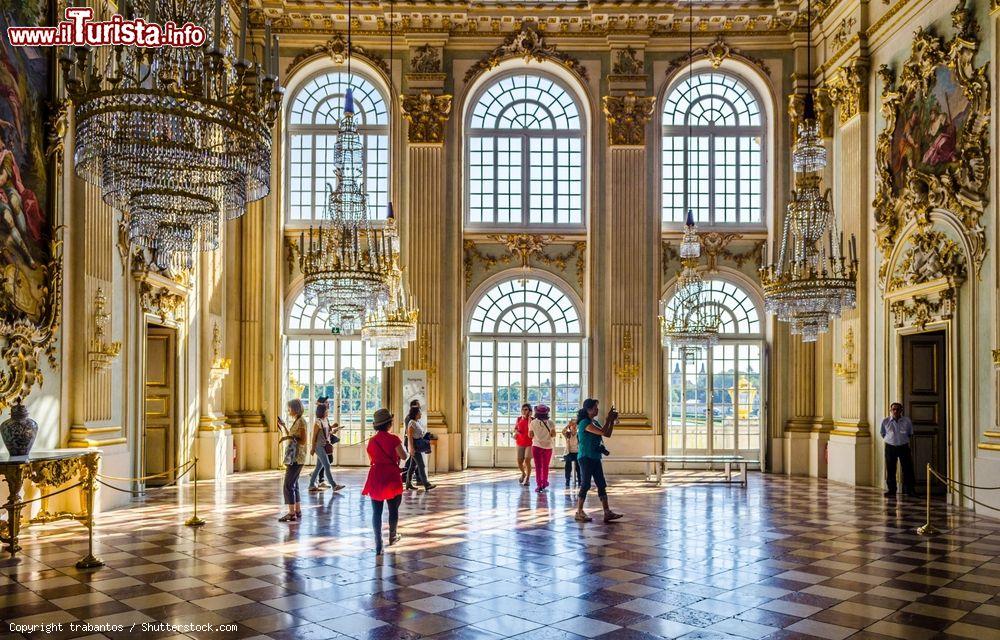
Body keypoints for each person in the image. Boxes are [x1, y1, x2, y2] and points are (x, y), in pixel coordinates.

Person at [362, 408, 407, 556]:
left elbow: (371, 458)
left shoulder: (372, 441)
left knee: (377, 512)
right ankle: (393, 536)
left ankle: (378, 544)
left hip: (376, 476)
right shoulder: (394, 439)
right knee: (393, 509)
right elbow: (404, 456)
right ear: (389, 424)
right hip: (391, 475)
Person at [575, 398, 622, 523]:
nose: (597, 409)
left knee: (601, 484)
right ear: (589, 409)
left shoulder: (594, 422)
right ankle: (579, 512)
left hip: (595, 456)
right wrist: (608, 419)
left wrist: (611, 421)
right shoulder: (584, 422)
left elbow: (607, 433)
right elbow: (602, 431)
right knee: (585, 484)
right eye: (595, 407)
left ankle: (607, 512)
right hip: (586, 457)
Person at [277, 399, 308, 522]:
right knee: (294, 484)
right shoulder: (297, 421)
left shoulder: (301, 422)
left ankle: (291, 513)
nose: (288, 410)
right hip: (294, 457)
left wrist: (288, 437)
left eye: (289, 408)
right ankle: (297, 510)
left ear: (295, 409)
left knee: (288, 485)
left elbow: (303, 441)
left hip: (297, 457)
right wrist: (283, 426)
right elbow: (293, 436)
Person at [881, 402, 917, 497]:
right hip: (890, 447)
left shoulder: (907, 421)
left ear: (901, 410)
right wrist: (891, 440)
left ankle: (910, 490)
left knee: (907, 468)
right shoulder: (885, 421)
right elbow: (883, 433)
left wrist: (902, 440)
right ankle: (892, 490)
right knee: (891, 469)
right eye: (893, 409)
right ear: (890, 410)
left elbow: (910, 433)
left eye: (898, 409)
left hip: (903, 447)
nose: (895, 411)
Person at [308, 403, 345, 493]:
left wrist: (335, 430)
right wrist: (313, 448)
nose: (328, 411)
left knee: (318, 467)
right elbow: (314, 436)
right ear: (322, 412)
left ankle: (311, 485)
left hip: (324, 445)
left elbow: (328, 433)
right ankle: (334, 485)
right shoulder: (318, 421)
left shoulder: (326, 420)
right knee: (327, 465)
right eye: (326, 410)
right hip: (319, 446)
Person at [404, 404, 435, 491]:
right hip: (415, 446)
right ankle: (426, 484)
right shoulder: (412, 423)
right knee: (421, 465)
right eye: (419, 413)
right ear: (415, 414)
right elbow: (410, 436)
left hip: (416, 445)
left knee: (412, 466)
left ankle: (408, 484)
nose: (421, 414)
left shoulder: (417, 422)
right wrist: (411, 448)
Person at [529, 404, 556, 492]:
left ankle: (539, 485)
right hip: (548, 447)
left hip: (536, 446)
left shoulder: (532, 423)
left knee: (538, 466)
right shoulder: (551, 422)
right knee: (545, 466)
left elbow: (530, 435)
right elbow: (553, 435)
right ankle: (544, 482)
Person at [514, 403, 533, 486]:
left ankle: (528, 479)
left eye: (526, 410)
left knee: (527, 460)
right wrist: (516, 432)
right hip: (520, 442)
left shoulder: (533, 420)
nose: (524, 411)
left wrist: (529, 419)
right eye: (523, 409)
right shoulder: (518, 419)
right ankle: (523, 473)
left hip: (530, 443)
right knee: (519, 461)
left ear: (530, 411)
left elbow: (532, 430)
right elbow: (515, 429)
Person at [563, 418, 580, 487]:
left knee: (579, 466)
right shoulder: (567, 434)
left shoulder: (579, 435)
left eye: (575, 426)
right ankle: (567, 480)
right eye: (572, 426)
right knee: (568, 465)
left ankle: (580, 481)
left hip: (577, 452)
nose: (574, 427)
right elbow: (563, 431)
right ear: (570, 428)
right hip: (568, 453)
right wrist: (568, 425)